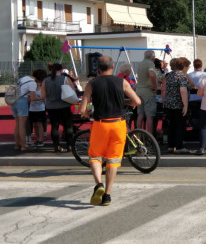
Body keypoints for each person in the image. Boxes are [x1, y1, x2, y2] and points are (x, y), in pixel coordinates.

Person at [78, 55, 141, 206]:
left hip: (101, 124)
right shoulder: (122, 81)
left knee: (95, 156)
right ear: (112, 67)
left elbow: (82, 109)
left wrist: (87, 114)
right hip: (118, 124)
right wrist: (125, 101)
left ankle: (99, 184)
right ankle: (107, 195)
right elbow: (137, 101)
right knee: (113, 160)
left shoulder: (92, 84)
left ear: (98, 69)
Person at [42, 63, 77, 153]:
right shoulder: (65, 79)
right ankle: (69, 145)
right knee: (68, 126)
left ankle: (56, 146)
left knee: (54, 126)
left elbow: (43, 96)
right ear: (61, 70)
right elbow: (73, 91)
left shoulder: (45, 81)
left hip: (51, 106)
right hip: (64, 105)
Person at [162, 57, 191, 154]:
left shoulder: (168, 75)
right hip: (178, 104)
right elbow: (183, 90)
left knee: (171, 126)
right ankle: (179, 146)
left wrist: (164, 101)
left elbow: (164, 89)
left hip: (169, 104)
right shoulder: (182, 76)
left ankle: (171, 146)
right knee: (180, 126)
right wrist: (185, 105)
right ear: (184, 66)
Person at [11, 71, 39, 151]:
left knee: (17, 124)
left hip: (14, 101)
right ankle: (24, 145)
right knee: (22, 125)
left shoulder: (22, 79)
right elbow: (33, 98)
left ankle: (17, 144)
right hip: (22, 101)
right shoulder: (32, 83)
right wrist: (41, 98)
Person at [135, 50, 159, 135]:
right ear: (153, 58)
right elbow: (152, 74)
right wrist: (154, 85)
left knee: (140, 114)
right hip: (148, 91)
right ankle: (150, 136)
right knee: (149, 116)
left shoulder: (140, 63)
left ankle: (138, 136)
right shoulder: (150, 63)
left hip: (139, 90)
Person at [27, 69, 48, 147]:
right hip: (32, 109)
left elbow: (44, 97)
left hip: (40, 109)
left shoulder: (42, 88)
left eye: (37, 81)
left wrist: (37, 98)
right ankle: (37, 139)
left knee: (39, 124)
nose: (36, 82)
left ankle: (41, 140)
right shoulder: (32, 88)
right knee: (34, 124)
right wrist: (32, 98)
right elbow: (29, 99)